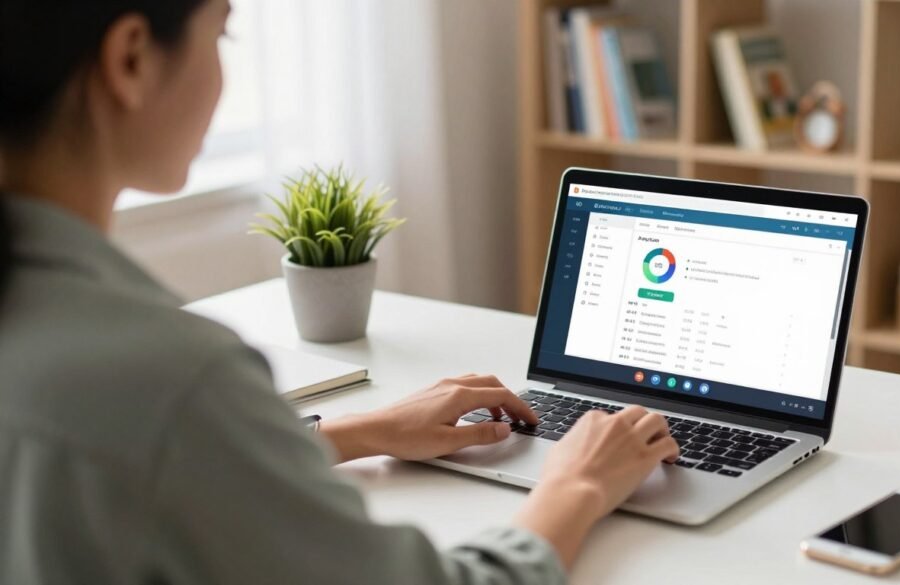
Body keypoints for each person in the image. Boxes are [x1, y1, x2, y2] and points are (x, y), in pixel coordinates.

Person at [0, 1, 679, 583]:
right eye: (223, 33)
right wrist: (578, 482)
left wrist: (364, 430)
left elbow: (149, 472)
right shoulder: (175, 377)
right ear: (130, 58)